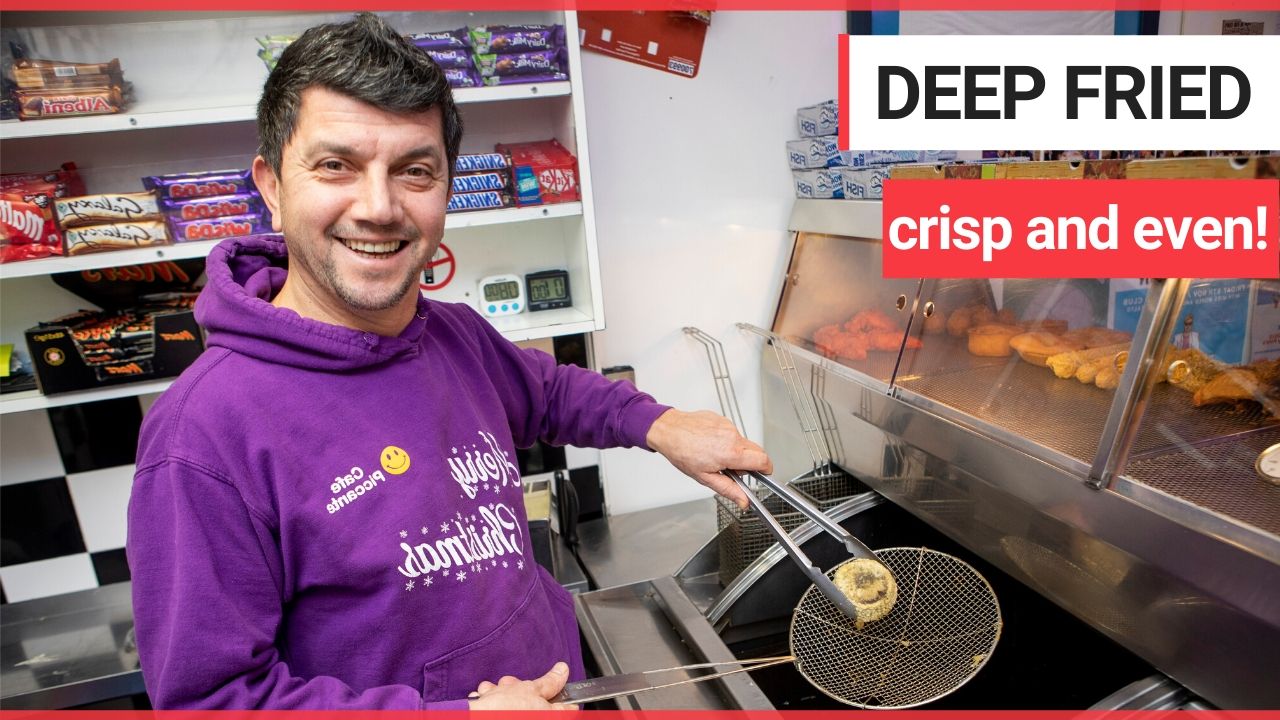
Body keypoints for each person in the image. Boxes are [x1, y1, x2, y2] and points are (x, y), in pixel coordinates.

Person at [126, 13, 771, 711]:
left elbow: (550, 393)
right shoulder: (202, 435)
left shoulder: (454, 336)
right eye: (335, 165)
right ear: (272, 185)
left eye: (414, 171)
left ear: (445, 191)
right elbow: (213, 700)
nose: (378, 207)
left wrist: (660, 424)